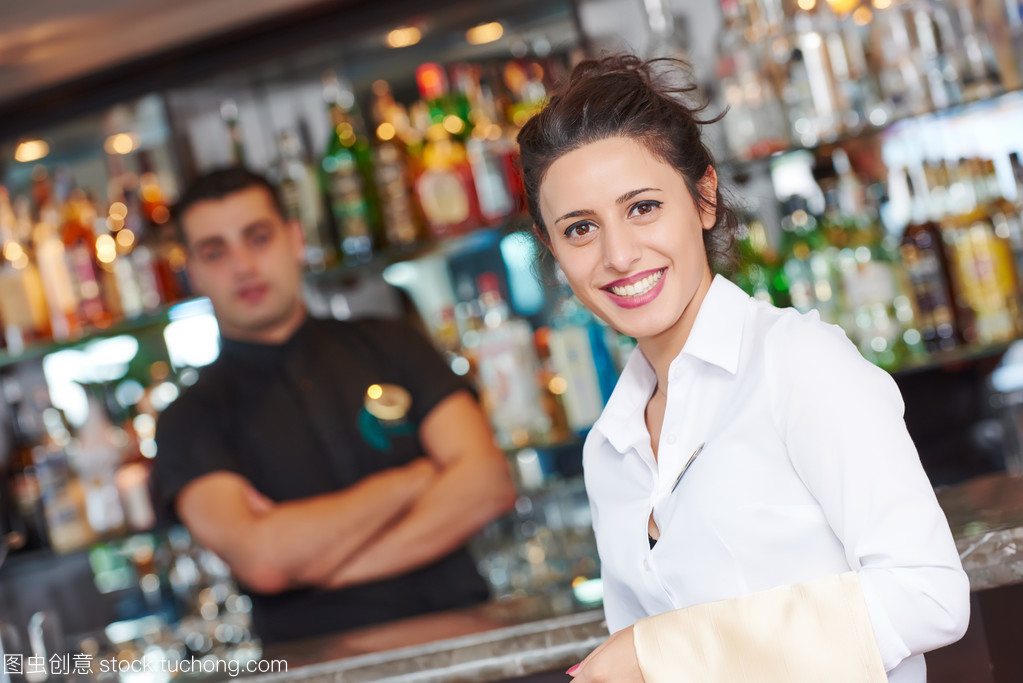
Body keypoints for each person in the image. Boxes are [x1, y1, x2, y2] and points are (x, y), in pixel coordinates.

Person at [517, 55, 969, 682]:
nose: (618, 255)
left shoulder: (798, 363)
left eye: (643, 207)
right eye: (581, 228)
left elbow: (930, 598)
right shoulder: (609, 448)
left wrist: (666, 652)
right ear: (553, 250)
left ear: (703, 197)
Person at [155, 167, 517, 645]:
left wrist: (321, 565)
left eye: (258, 237)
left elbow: (487, 483)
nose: (242, 265)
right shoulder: (188, 418)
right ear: (193, 272)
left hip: (468, 649)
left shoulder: (392, 343)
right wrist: (412, 479)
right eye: (215, 252)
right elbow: (263, 558)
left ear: (294, 239)